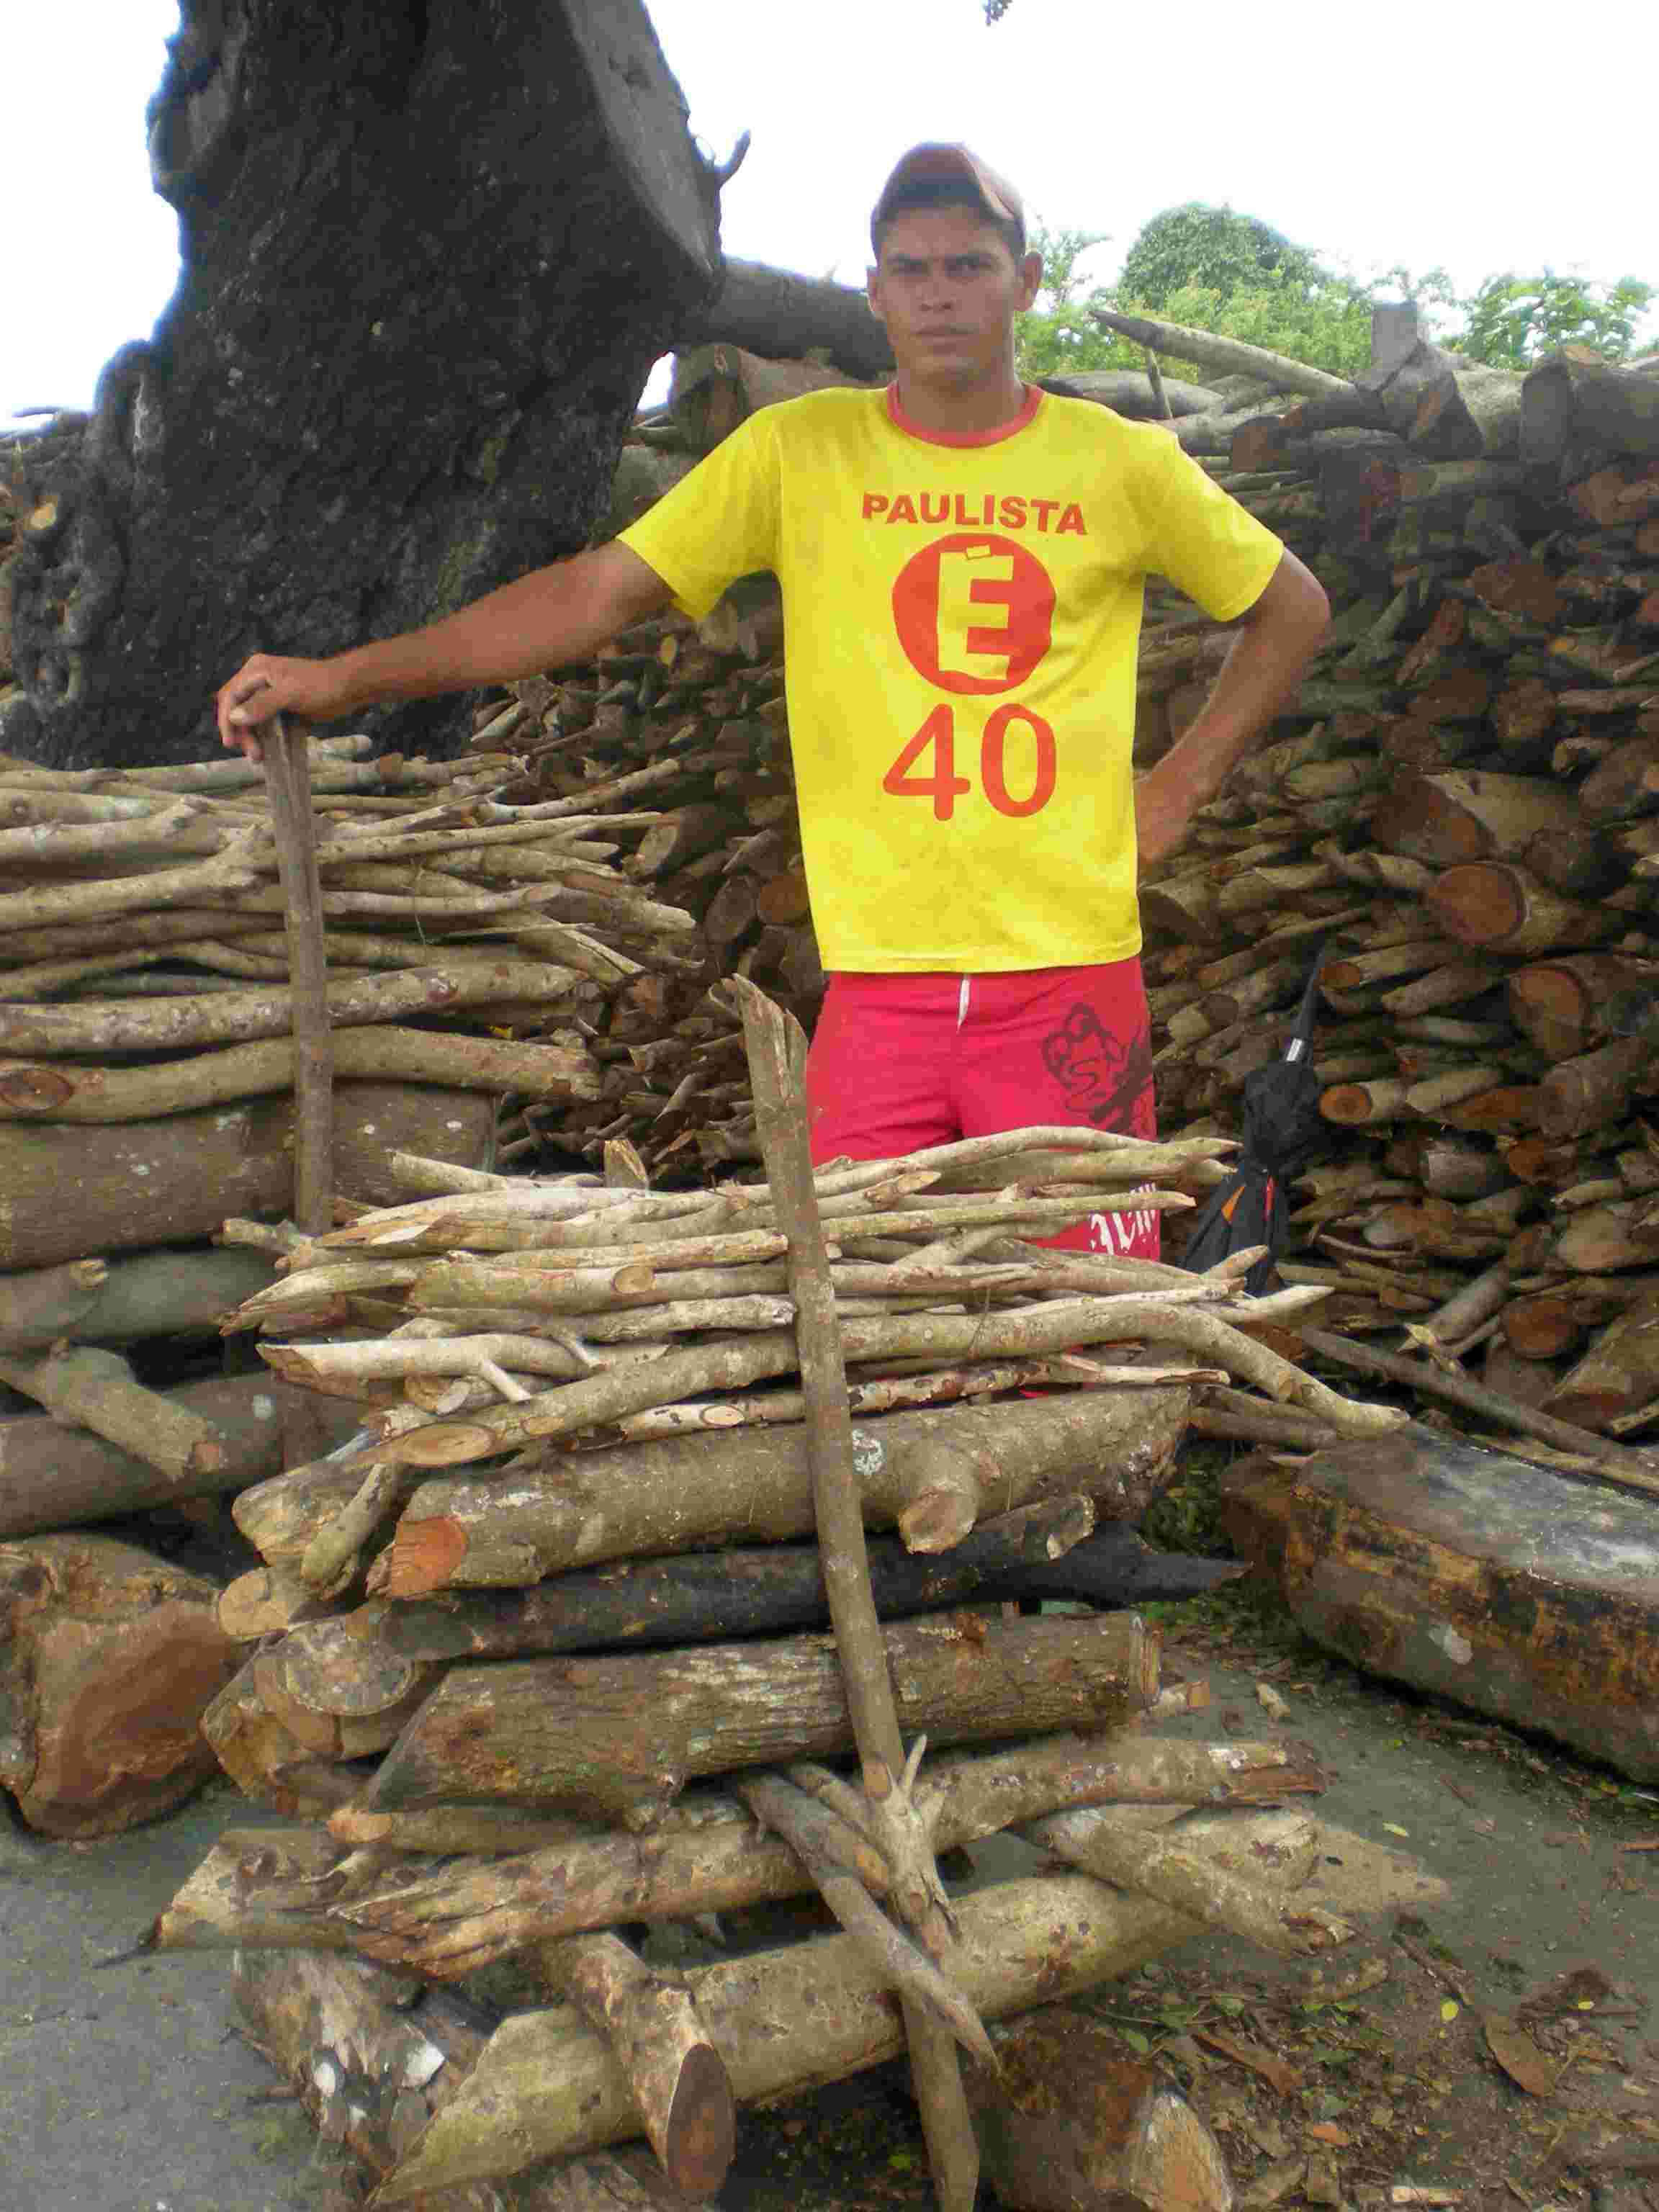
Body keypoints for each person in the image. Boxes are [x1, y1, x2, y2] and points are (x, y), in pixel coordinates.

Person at [217, 143, 1330, 1256]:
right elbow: (596, 595)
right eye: (912, 269)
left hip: (1067, 974)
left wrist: (1179, 786)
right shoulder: (801, 454)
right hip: (879, 985)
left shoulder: (1117, 462)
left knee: (1095, 1310)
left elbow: (1293, 606)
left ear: (1026, 282)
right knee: (857, 1306)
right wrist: (344, 677)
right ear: (875, 293)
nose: (941, 294)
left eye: (971, 265)